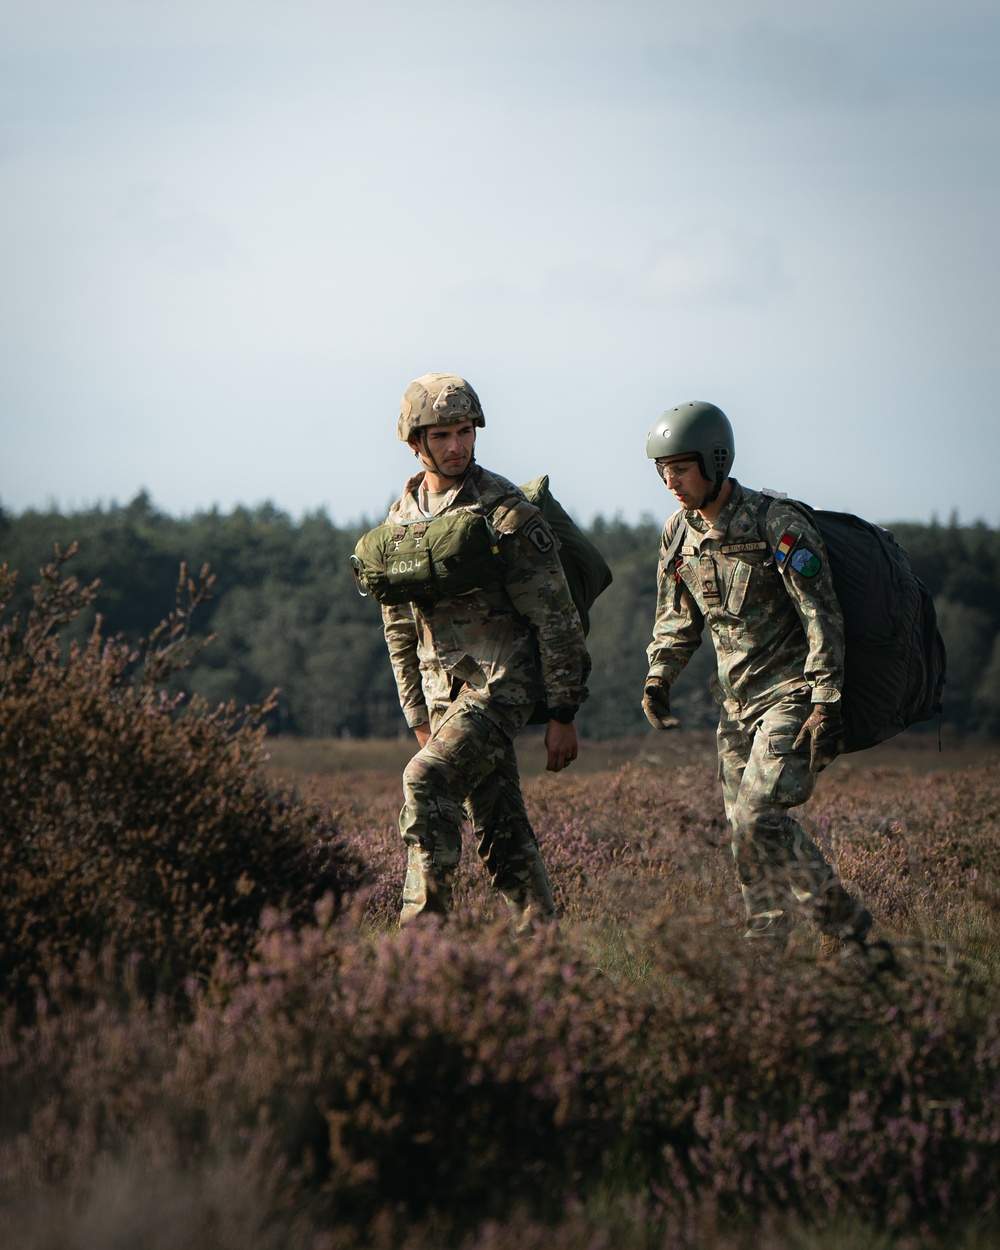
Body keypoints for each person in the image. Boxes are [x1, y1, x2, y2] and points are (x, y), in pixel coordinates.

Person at [642, 400, 872, 955]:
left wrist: (825, 700)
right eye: (662, 469)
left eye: (681, 467)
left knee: (756, 815)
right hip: (736, 707)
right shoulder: (678, 535)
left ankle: (835, 923)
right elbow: (676, 621)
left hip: (791, 696)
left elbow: (821, 613)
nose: (670, 480)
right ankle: (775, 940)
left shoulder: (776, 524)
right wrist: (658, 677)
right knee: (746, 834)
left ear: (716, 462)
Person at [378, 372, 591, 931]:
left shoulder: (505, 512)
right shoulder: (400, 520)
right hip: (441, 692)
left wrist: (563, 712)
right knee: (500, 820)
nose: (456, 446)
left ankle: (421, 940)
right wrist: (417, 712)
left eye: (465, 431)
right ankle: (542, 946)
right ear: (415, 442)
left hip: (502, 684)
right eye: (443, 434)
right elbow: (398, 625)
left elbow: (556, 616)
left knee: (424, 780)